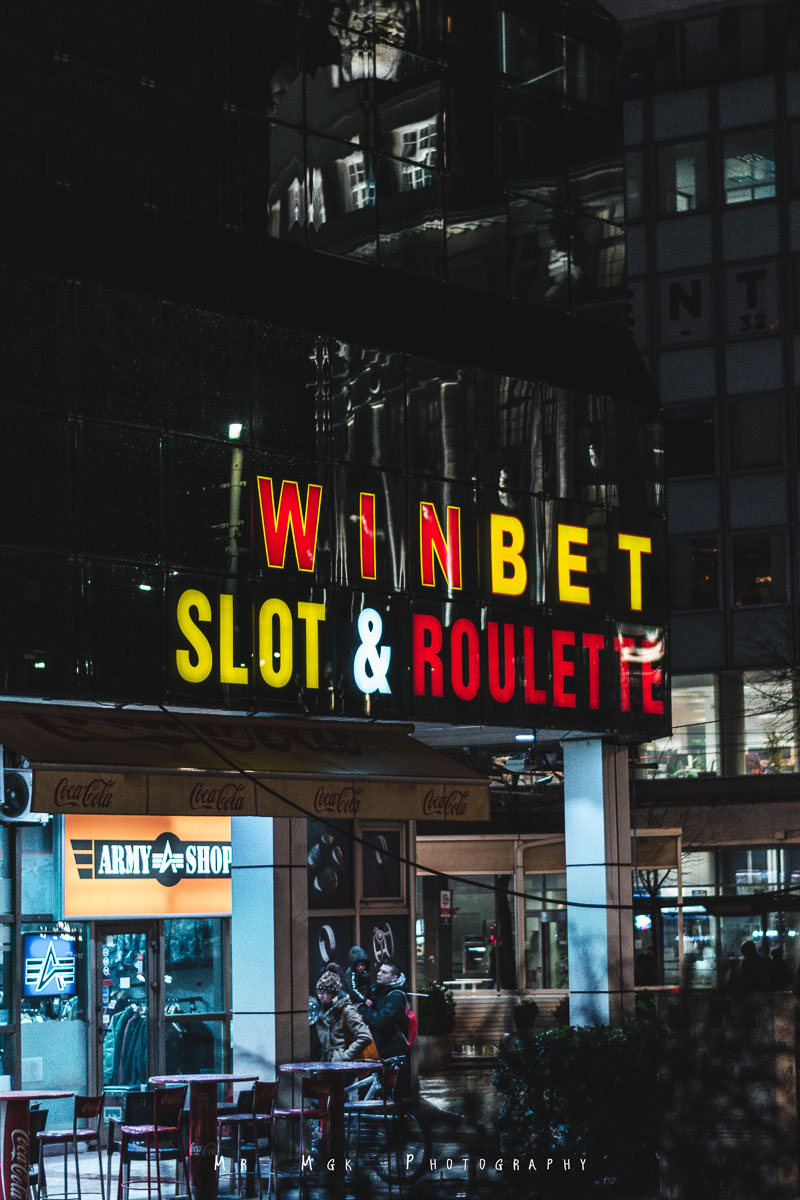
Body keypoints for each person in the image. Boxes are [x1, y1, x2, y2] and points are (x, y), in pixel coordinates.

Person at [312, 969, 373, 1061]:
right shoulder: (321, 1010)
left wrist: (344, 1056)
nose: (320, 997)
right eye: (318, 993)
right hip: (325, 1063)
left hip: (341, 1065)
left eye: (323, 993)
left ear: (333, 993)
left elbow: (365, 1036)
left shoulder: (347, 1010)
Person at [359, 960, 409, 1061]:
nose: (379, 974)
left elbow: (380, 1021)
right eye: (379, 970)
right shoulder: (375, 989)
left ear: (394, 978)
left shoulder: (396, 996)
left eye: (384, 972)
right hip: (375, 1048)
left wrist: (361, 1008)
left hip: (391, 1052)